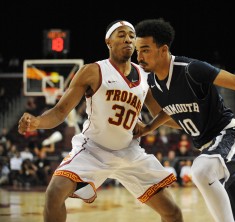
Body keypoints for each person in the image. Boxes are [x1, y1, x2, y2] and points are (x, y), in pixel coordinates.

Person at [18, 20, 183, 222]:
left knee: (172, 212)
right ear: (108, 41)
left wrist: (192, 119)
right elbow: (60, 111)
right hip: (93, 150)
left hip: (129, 152)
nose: (128, 39)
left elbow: (164, 115)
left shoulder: (145, 76)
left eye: (132, 35)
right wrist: (36, 122)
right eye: (121, 35)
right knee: (54, 193)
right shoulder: (93, 71)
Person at [134, 18, 235, 222]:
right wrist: (150, 127)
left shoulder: (190, 70)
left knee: (201, 170)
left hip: (232, 135)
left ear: (163, 50)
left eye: (145, 50)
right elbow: (173, 113)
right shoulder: (152, 82)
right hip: (210, 149)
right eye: (137, 51)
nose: (139, 57)